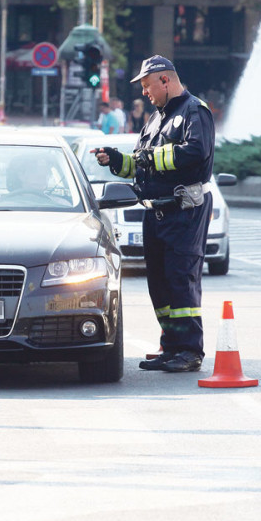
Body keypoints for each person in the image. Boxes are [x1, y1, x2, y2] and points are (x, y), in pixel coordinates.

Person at [94, 55, 215, 373]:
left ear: (166, 80)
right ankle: (172, 346)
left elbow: (194, 152)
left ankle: (190, 351)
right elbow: (140, 162)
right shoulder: (155, 119)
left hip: (184, 210)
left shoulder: (194, 111)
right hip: (156, 212)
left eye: (148, 86)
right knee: (159, 284)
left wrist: (150, 157)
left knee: (181, 280)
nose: (144, 93)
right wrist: (117, 160)